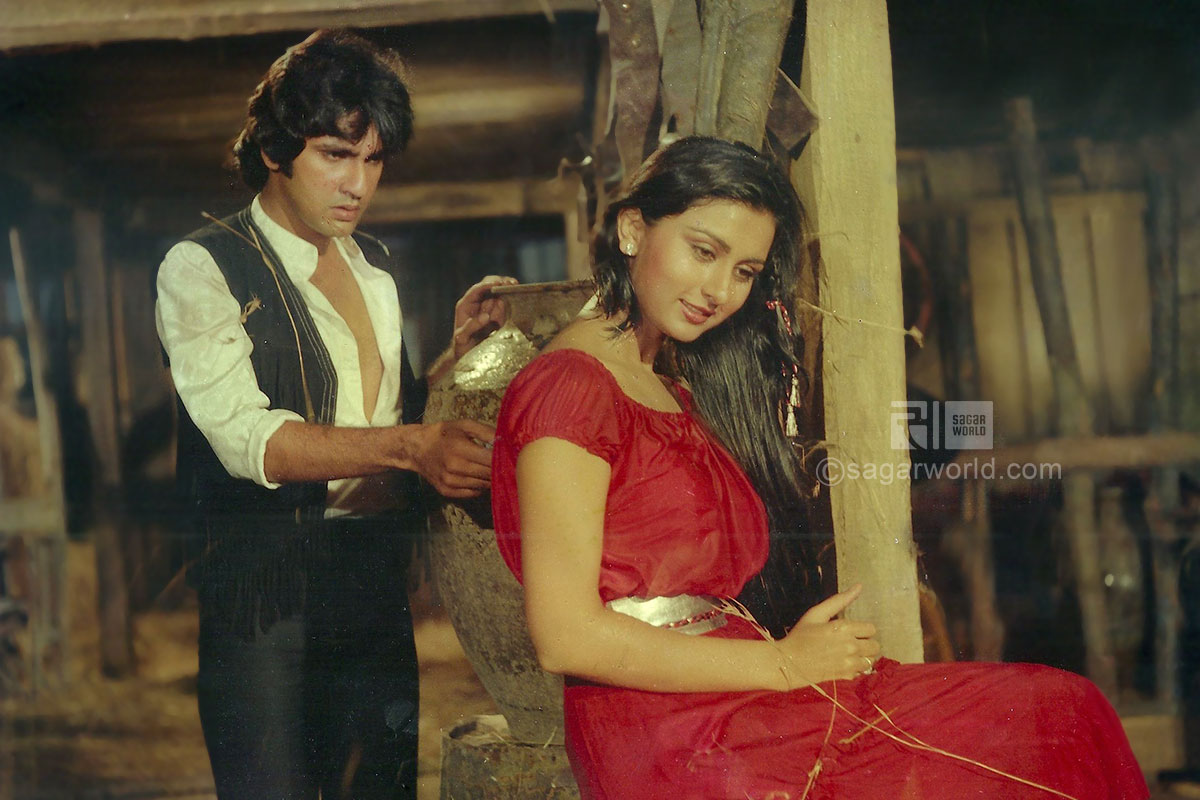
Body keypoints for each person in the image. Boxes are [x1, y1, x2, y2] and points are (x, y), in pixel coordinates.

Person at [491, 136, 1148, 799]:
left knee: (1061, 709)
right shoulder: (571, 388)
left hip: (731, 695)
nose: (719, 291)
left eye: (745, 271)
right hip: (669, 735)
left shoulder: (665, 384)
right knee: (1040, 725)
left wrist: (787, 659)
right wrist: (781, 663)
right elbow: (565, 636)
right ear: (633, 230)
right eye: (704, 251)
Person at [156, 29, 512, 800]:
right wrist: (412, 445)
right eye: (335, 154)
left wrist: (452, 359)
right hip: (265, 594)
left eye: (374, 160)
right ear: (275, 149)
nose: (357, 184)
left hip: (370, 583)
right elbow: (250, 441)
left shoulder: (371, 265)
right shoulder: (204, 266)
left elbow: (383, 415)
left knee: (380, 788)